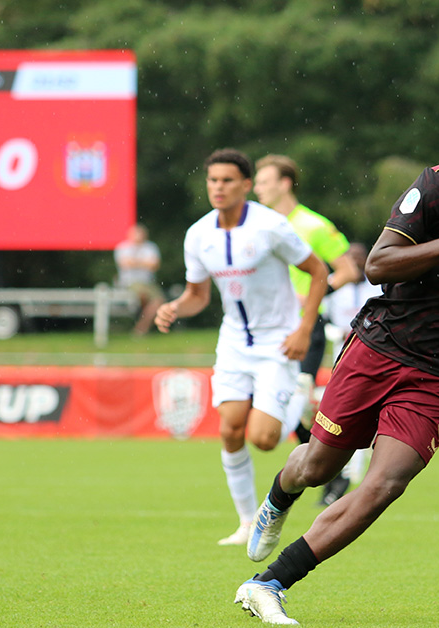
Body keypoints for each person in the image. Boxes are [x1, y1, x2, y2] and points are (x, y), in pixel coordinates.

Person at [233, 92, 439, 625]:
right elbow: (378, 265)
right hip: (378, 348)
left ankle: (268, 584)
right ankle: (278, 499)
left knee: (385, 484)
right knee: (316, 465)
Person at [154, 148, 329, 547]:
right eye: (213, 180)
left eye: (228, 180)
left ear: (246, 185)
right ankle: (248, 522)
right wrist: (175, 308)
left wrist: (303, 329)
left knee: (263, 439)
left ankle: (297, 401)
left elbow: (318, 271)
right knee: (230, 430)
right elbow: (197, 295)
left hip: (278, 342)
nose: (219, 187)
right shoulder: (198, 234)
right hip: (233, 342)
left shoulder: (271, 226)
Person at [253, 154, 361, 504]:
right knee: (292, 408)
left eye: (263, 181)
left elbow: (347, 272)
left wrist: (311, 295)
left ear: (284, 183)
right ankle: (331, 469)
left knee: (294, 403)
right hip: (265, 329)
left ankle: (333, 468)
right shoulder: (255, 225)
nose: (256, 187)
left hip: (306, 327)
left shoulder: (313, 225)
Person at [316, 242, 384, 503]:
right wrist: (328, 329)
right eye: (350, 258)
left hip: (372, 356)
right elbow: (321, 314)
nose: (355, 262)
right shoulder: (335, 285)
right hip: (341, 358)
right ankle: (343, 466)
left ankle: (358, 466)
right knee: (342, 413)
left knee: (367, 412)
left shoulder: (376, 285)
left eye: (359, 257)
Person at [114, 224, 164, 336]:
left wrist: (135, 262)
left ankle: (140, 328)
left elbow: (154, 265)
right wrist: (145, 263)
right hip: (130, 283)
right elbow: (125, 264)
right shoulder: (123, 247)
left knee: (158, 302)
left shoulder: (150, 247)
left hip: (148, 282)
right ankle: (142, 329)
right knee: (144, 297)